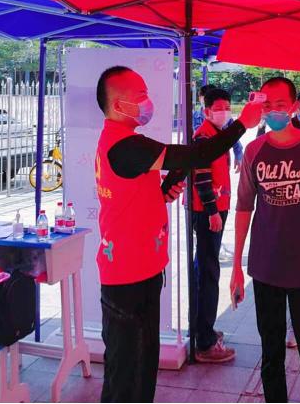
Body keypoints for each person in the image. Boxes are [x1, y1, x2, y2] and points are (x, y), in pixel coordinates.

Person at [94, 66, 262, 403]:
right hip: (127, 274)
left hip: (140, 267)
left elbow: (138, 193)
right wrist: (242, 123)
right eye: (140, 96)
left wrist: (162, 192)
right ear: (118, 105)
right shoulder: (124, 145)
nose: (148, 102)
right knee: (128, 372)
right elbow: (198, 154)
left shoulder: (125, 145)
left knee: (139, 364)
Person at [231, 76, 300, 403]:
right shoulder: (254, 151)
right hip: (265, 267)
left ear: (294, 107)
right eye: (266, 105)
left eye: (280, 105)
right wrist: (237, 265)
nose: (272, 111)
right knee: (271, 354)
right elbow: (243, 208)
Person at [192, 88, 238, 363]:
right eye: (218, 108)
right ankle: (205, 342)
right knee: (208, 273)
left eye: (227, 107)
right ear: (207, 111)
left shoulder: (218, 134)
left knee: (206, 269)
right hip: (208, 212)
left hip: (217, 208)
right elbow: (201, 178)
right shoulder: (203, 137)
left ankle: (203, 330)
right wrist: (212, 212)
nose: (224, 112)